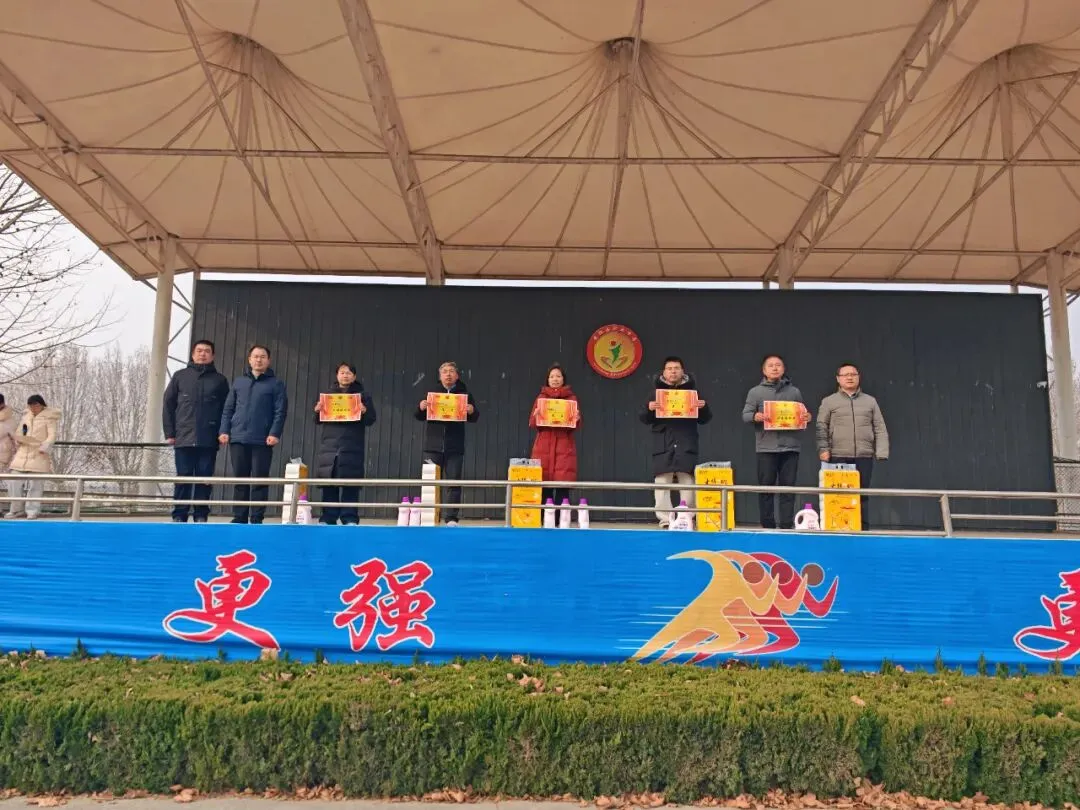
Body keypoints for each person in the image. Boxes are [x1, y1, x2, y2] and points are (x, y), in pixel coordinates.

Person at [219, 345, 288, 525]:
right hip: (238, 437)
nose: (259, 360)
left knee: (259, 478)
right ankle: (239, 516)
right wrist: (224, 430)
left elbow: (280, 411)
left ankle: (257, 517)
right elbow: (228, 409)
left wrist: (274, 433)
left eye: (263, 356)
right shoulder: (239, 382)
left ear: (268, 361)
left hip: (262, 439)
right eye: (255, 356)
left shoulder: (276, 384)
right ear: (249, 360)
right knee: (240, 479)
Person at [162, 339, 230, 523]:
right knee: (183, 477)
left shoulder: (220, 380)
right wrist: (170, 433)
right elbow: (168, 404)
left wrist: (223, 431)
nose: (202, 354)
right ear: (193, 354)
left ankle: (201, 514)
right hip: (183, 437)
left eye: (207, 351)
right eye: (199, 351)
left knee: (205, 478)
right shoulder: (180, 376)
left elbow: (227, 409)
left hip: (209, 438)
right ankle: (179, 514)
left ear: (212, 356)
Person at [639, 356, 712, 528]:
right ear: (664, 372)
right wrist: (649, 409)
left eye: (676, 368)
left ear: (682, 371)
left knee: (687, 482)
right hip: (663, 443)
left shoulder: (693, 392)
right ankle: (665, 519)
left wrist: (703, 408)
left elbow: (705, 419)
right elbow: (643, 418)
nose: (673, 372)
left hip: (686, 442)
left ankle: (686, 519)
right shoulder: (655, 393)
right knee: (662, 483)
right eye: (670, 369)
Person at [816, 362, 890, 529]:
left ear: (858, 377)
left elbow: (880, 427)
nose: (849, 377)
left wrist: (882, 451)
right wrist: (823, 449)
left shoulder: (870, 401)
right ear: (838, 379)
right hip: (837, 455)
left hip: (863, 455)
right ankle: (837, 529)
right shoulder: (829, 401)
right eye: (845, 375)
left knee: (862, 494)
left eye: (853, 374)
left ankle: (862, 529)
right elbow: (821, 427)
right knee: (837, 496)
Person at [742, 354, 808, 530]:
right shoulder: (755, 392)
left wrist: (806, 417)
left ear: (783, 369)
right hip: (766, 447)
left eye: (778, 365)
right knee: (766, 489)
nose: (775, 368)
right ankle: (767, 525)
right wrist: (756, 416)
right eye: (770, 365)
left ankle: (786, 525)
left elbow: (801, 415)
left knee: (788, 489)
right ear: (764, 370)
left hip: (790, 446)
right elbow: (745, 415)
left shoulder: (794, 392)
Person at [414, 361, 479, 526]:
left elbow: (475, 417)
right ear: (440, 375)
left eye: (451, 371)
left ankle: (451, 518)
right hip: (433, 446)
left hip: (455, 446)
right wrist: (421, 407)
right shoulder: (431, 392)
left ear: (457, 375)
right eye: (445, 372)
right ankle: (429, 517)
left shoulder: (464, 394)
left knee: (454, 482)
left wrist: (472, 410)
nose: (448, 374)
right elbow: (418, 416)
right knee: (430, 483)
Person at [312, 363, 377, 525]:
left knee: (350, 483)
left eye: (348, 373)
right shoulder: (328, 395)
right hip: (330, 445)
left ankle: (349, 518)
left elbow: (371, 420)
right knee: (329, 482)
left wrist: (365, 411)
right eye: (342, 372)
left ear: (354, 376)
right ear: (337, 375)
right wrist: (317, 411)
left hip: (352, 445)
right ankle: (328, 517)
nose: (345, 375)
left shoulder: (363, 396)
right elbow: (317, 420)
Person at [528, 364, 580, 507]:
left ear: (563, 379)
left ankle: (561, 519)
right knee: (544, 489)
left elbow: (575, 426)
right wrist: (536, 417)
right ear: (547, 380)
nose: (555, 379)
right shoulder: (541, 398)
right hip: (543, 447)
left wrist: (576, 419)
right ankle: (545, 518)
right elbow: (532, 423)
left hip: (564, 448)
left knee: (562, 489)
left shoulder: (571, 398)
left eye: (558, 376)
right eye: (552, 376)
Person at [5, 395, 60, 520]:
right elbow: (20, 432)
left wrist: (45, 447)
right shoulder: (26, 416)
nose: (33, 408)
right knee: (13, 482)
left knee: (35, 485)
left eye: (36, 405)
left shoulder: (49, 418)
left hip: (39, 454)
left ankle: (32, 510)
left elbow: (52, 436)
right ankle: (16, 509)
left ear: (42, 405)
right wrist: (18, 439)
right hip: (22, 455)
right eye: (31, 405)